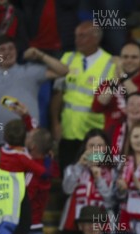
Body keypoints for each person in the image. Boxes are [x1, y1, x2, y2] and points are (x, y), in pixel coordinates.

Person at [0, 35, 68, 145]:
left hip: (31, 142)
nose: (7, 53)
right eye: (2, 49)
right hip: (2, 143)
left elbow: (63, 71)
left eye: (11, 48)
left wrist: (40, 55)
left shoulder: (30, 71)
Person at [51, 21, 116, 171]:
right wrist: (55, 122)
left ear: (96, 38)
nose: (77, 40)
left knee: (94, 172)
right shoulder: (67, 58)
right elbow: (57, 93)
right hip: (68, 130)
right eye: (76, 36)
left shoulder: (110, 63)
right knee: (67, 173)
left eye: (82, 36)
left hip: (94, 134)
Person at [59, 129, 116, 234]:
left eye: (100, 146)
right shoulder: (73, 168)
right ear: (85, 147)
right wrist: (80, 166)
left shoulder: (113, 171)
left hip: (102, 224)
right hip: (73, 222)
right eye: (91, 145)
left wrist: (99, 179)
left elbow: (111, 201)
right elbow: (67, 189)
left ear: (106, 149)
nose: (95, 150)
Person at [92, 41, 140, 131]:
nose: (129, 60)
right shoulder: (109, 84)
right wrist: (116, 81)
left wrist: (122, 75)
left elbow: (138, 98)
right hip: (112, 138)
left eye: (134, 57)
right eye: (125, 57)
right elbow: (97, 107)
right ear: (119, 60)